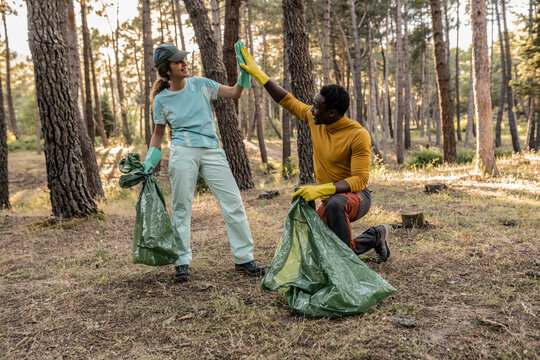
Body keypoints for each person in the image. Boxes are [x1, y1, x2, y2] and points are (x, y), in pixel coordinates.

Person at [239, 47, 391, 263]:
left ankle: (361, 245)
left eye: (317, 107)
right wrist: (260, 76)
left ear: (333, 113)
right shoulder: (316, 118)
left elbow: (360, 179)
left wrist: (323, 189)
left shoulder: (358, 135)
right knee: (318, 250)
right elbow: (288, 101)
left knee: (335, 211)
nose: (311, 110)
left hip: (356, 198)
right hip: (330, 201)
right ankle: (376, 237)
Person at [142, 43, 265, 282]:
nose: (183, 63)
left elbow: (235, 93)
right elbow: (158, 134)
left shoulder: (201, 84)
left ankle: (244, 259)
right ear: (166, 69)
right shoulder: (161, 100)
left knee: (234, 203)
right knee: (181, 208)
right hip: (182, 152)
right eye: (177, 61)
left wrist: (244, 72)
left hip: (212, 151)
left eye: (183, 59)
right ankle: (181, 262)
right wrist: (150, 160)